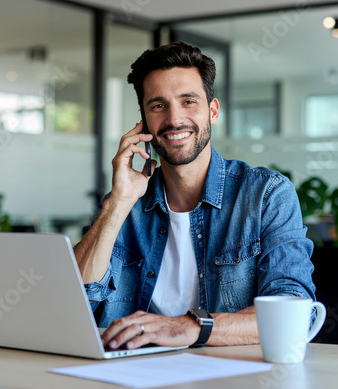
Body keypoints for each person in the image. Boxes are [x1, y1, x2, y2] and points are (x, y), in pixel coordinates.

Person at [74, 41, 315, 350]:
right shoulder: (124, 203)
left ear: (212, 111)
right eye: (158, 105)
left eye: (188, 101)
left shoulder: (265, 195)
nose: (174, 119)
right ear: (143, 121)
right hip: (130, 374)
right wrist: (118, 203)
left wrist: (191, 327)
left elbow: (294, 311)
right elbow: (74, 304)